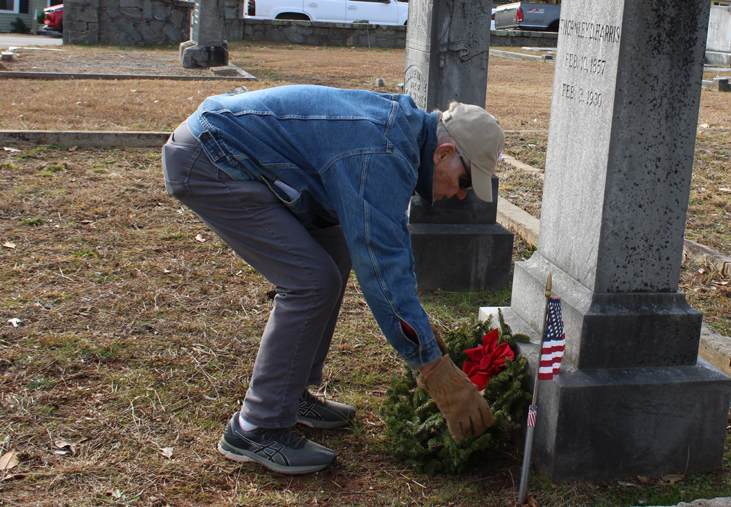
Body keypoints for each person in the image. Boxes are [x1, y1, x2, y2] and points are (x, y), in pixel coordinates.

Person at [161, 86, 501, 475]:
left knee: (336, 250)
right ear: (442, 154)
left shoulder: (402, 135)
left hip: (233, 150)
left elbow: (389, 245)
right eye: (464, 181)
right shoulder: (381, 154)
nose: (461, 195)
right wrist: (431, 366)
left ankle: (291, 392)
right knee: (311, 281)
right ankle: (255, 427)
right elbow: (383, 268)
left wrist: (423, 339)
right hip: (212, 158)